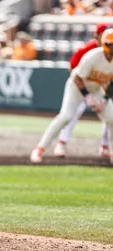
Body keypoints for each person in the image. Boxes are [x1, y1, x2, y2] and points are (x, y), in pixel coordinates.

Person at [30, 29, 113, 164]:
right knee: (66, 116)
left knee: (112, 117)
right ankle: (39, 149)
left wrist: (104, 99)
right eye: (112, 44)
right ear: (105, 44)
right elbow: (77, 78)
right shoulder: (92, 56)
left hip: (96, 89)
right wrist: (87, 97)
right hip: (76, 87)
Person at [53, 23, 111, 158]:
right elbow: (73, 69)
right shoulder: (88, 49)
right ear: (97, 36)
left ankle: (105, 146)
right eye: (105, 33)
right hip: (82, 87)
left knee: (110, 114)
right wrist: (84, 92)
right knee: (72, 113)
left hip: (99, 87)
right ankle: (61, 143)